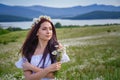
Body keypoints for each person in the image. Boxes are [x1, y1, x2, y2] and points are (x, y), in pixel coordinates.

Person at [15, 15, 70, 80]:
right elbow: (28, 78)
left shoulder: (57, 49)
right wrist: (48, 69)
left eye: (50, 29)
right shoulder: (28, 51)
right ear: (37, 32)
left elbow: (52, 76)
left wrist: (31, 67)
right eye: (44, 29)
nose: (48, 32)